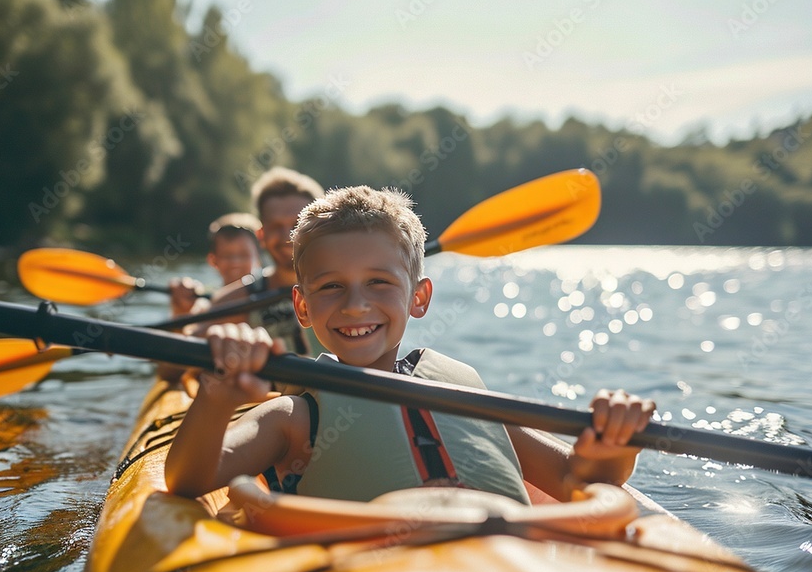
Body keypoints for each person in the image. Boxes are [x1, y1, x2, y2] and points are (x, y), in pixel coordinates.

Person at [164, 186, 655, 504]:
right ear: (303, 307)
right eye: (331, 286)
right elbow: (187, 481)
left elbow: (576, 478)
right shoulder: (291, 417)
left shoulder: (468, 396)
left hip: (506, 564)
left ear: (419, 297)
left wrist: (615, 443)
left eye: (379, 282)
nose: (356, 306)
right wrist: (217, 395)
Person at [190, 166, 326, 356]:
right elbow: (170, 369)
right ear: (261, 235)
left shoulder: (350, 292)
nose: (288, 236)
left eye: (298, 224)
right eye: (276, 226)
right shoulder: (234, 301)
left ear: (320, 230)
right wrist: (180, 314)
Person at [166, 213, 263, 319]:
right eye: (227, 255)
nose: (235, 262)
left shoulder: (270, 301)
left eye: (244, 255)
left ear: (258, 258)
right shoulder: (202, 305)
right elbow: (182, 332)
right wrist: (181, 310)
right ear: (213, 260)